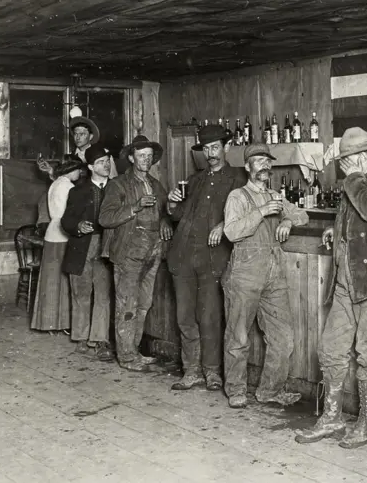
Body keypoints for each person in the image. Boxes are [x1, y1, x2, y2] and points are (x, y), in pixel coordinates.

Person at [295, 127, 367, 449]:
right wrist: (337, 233)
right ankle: (331, 417)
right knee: (331, 349)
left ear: (361, 156)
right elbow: (352, 218)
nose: (343, 165)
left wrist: (355, 176)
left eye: (347, 159)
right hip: (346, 279)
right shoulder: (352, 181)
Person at [222, 143, 308, 408]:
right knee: (239, 337)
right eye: (258, 161)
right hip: (245, 272)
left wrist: (287, 220)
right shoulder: (237, 196)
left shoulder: (275, 195)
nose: (265, 166)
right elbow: (231, 232)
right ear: (248, 167)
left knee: (283, 338)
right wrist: (261, 212)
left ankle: (270, 390)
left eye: (267, 161)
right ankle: (236, 389)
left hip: (273, 272)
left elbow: (302, 214)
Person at [166, 125, 247, 392]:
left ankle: (212, 372)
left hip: (214, 258)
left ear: (226, 147)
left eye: (215, 147)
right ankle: (191, 371)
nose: (210, 153)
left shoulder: (239, 179)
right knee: (185, 316)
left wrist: (224, 224)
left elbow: (248, 212)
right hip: (183, 255)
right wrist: (171, 203)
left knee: (210, 316)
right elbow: (177, 216)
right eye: (206, 149)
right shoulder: (194, 180)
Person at [99, 135, 172, 372]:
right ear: (131, 157)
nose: (146, 160)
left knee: (143, 304)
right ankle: (127, 357)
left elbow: (165, 215)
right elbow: (105, 219)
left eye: (149, 156)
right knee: (127, 305)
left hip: (153, 251)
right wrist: (135, 207)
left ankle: (134, 350)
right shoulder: (118, 185)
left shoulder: (157, 184)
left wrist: (165, 222)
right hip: (129, 252)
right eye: (141, 156)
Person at [60, 146, 115, 362]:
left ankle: (100, 341)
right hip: (82, 246)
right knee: (81, 294)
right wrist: (78, 225)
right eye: (101, 162)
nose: (106, 165)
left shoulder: (116, 188)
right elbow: (66, 220)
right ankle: (81, 338)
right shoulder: (77, 191)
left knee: (103, 294)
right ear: (91, 167)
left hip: (106, 247)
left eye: (108, 160)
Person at [31, 156, 85, 332]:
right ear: (72, 170)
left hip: (51, 233)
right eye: (78, 170)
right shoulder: (69, 186)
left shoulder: (55, 184)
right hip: (63, 234)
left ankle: (48, 323)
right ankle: (63, 323)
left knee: (50, 280)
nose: (80, 173)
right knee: (63, 281)